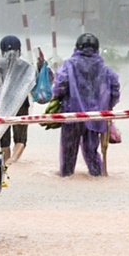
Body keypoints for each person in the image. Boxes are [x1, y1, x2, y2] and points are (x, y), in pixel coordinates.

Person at [51, 33, 120, 177]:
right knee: (91, 152)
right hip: (95, 117)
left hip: (71, 116)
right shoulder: (105, 69)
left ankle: (66, 178)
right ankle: (98, 177)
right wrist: (108, 107)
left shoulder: (68, 65)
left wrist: (56, 99)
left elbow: (59, 86)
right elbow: (114, 90)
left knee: (68, 153)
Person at [0, 35, 37, 167]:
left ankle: (6, 166)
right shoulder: (27, 66)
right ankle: (13, 162)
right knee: (21, 138)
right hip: (22, 103)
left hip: (2, 103)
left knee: (4, 139)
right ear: (19, 49)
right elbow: (33, 84)